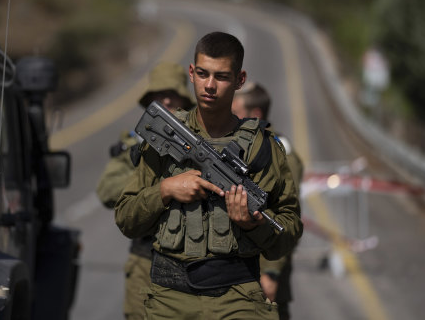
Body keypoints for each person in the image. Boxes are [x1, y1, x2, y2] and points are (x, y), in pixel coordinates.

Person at [115, 32, 302, 320]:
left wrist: (252, 225)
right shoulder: (165, 138)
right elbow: (126, 218)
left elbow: (286, 235)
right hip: (169, 299)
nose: (210, 86)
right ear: (191, 73)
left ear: (240, 80)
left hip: (237, 297)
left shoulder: (262, 147)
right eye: (203, 74)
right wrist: (165, 190)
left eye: (221, 76)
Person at [96, 61, 194, 320]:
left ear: (185, 101)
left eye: (173, 97)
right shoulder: (135, 146)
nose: (167, 103)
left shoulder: (202, 144)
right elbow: (107, 190)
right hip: (146, 260)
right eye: (159, 97)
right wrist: (158, 183)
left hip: (194, 265)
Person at [232, 82, 304, 320]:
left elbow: (285, 217)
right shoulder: (239, 147)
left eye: (236, 110)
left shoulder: (280, 153)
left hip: (265, 273)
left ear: (255, 115)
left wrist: (271, 272)